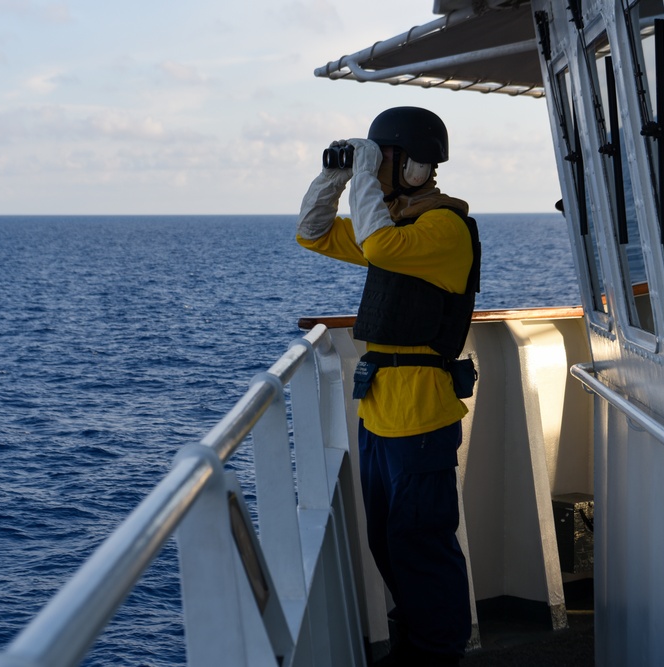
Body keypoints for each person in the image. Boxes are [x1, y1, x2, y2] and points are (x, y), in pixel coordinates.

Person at [295, 107, 479, 667]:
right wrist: (336, 178)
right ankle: (415, 645)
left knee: (420, 542)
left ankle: (439, 652)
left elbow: (376, 246)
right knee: (388, 542)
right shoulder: (397, 222)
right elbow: (312, 233)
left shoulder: (443, 228)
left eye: (383, 159)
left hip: (420, 415)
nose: (374, 172)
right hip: (380, 409)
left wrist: (368, 179)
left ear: (413, 164)